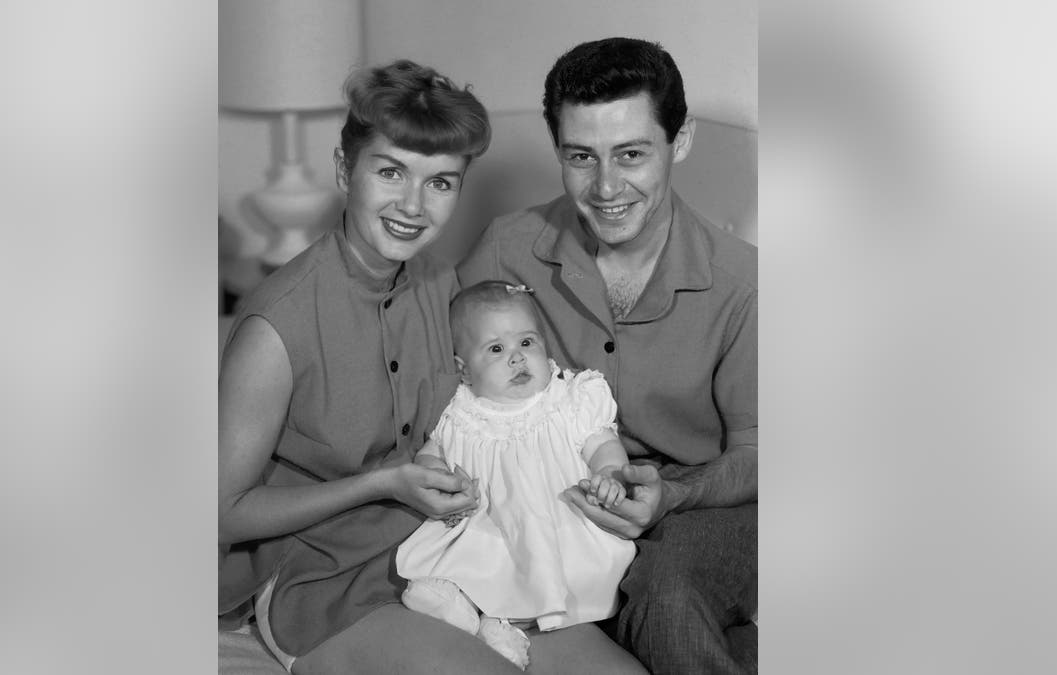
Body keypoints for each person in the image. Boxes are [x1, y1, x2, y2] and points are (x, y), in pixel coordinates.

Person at [219, 59, 643, 675]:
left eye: (440, 182)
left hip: (458, 555)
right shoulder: (274, 326)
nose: (413, 205)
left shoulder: (442, 283)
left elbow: (502, 390)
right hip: (322, 579)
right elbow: (222, 511)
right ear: (345, 170)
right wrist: (380, 483)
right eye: (391, 172)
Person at [458, 37, 758, 674]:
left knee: (669, 600)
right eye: (581, 157)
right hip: (555, 503)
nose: (606, 186)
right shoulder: (504, 250)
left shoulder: (745, 284)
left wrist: (673, 498)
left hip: (702, 505)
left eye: (631, 154)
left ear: (680, 141)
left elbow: (761, 455)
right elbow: (443, 386)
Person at [395, 281, 639, 671]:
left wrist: (609, 473)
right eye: (496, 349)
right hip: (490, 526)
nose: (517, 358)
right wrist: (439, 477)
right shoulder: (462, 412)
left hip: (557, 524)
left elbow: (601, 442)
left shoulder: (568, 399)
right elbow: (430, 455)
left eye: (527, 343)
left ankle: (503, 625)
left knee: (552, 574)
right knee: (472, 564)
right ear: (465, 370)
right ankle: (472, 611)